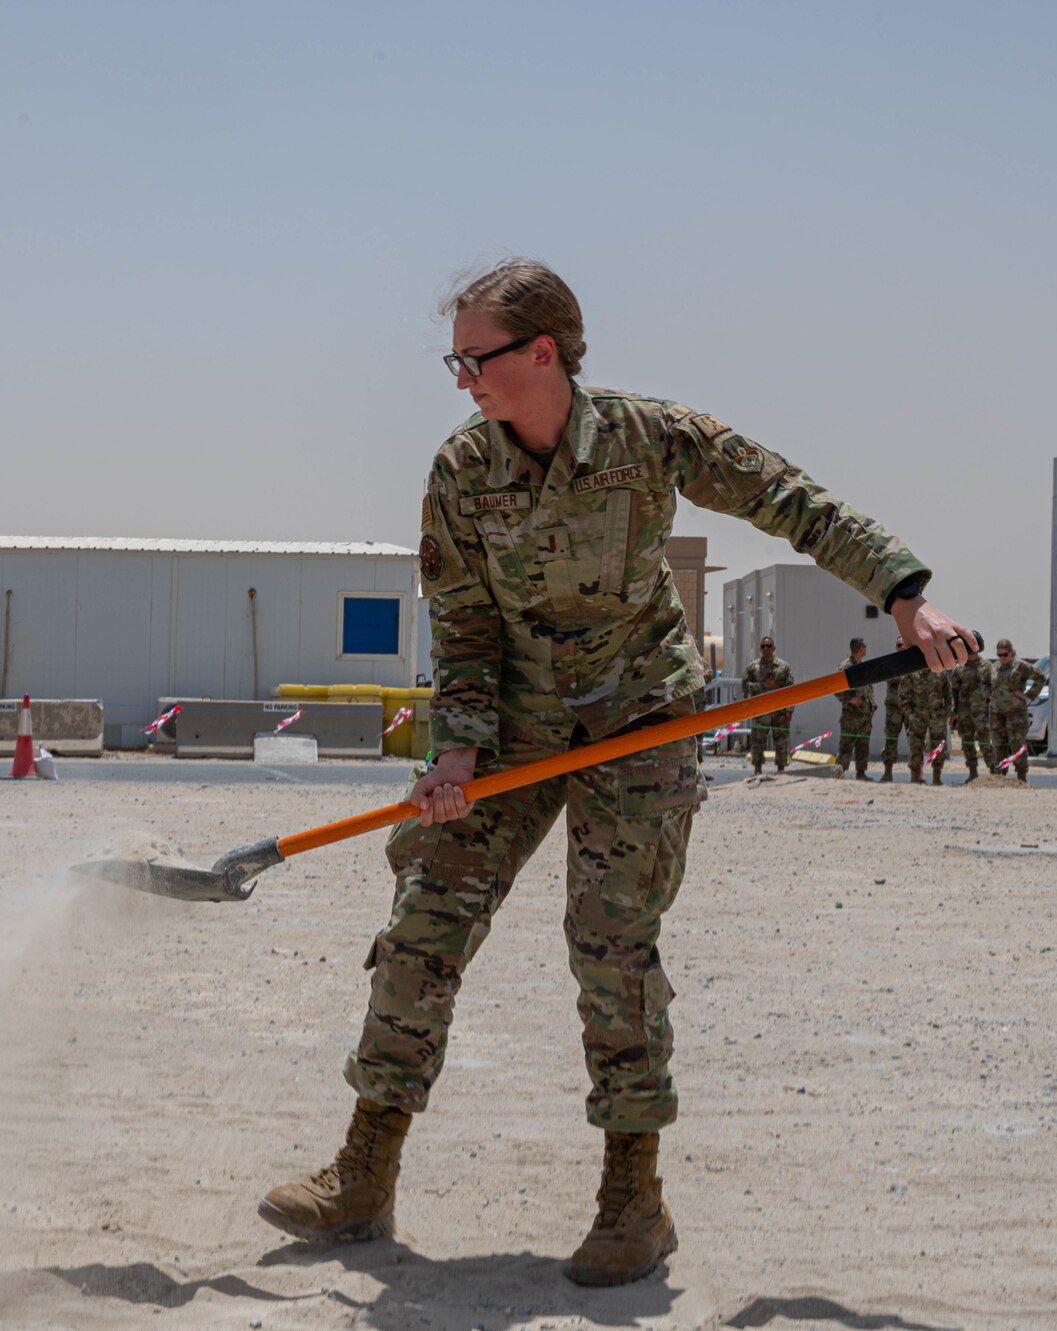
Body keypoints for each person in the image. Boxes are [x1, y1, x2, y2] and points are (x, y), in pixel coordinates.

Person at [256, 260, 977, 1286]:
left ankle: (631, 1196)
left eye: (475, 358)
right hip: (508, 721)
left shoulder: (649, 436)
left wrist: (904, 596)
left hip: (635, 715)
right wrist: (453, 745)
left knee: (608, 941)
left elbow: (789, 500)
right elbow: (459, 616)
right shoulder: (460, 467)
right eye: (453, 361)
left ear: (540, 351)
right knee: (424, 918)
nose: (461, 378)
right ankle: (362, 1172)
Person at [986, 640, 1046, 784]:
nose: (1002, 658)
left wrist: (1028, 695)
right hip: (996, 712)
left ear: (1011, 653)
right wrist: (988, 696)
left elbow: (1040, 677)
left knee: (1016, 744)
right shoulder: (994, 667)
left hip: (1016, 712)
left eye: (1005, 654)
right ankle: (999, 776)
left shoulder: (1020, 666)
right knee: (998, 744)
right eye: (999, 655)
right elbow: (987, 684)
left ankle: (1021, 777)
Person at [741, 637, 795, 772]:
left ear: (774, 648)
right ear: (760, 648)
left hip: (780, 712)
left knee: (781, 742)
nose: (766, 648)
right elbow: (745, 686)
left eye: (769, 646)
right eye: (763, 646)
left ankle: (781, 770)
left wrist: (790, 710)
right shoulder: (753, 667)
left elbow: (791, 690)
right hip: (761, 711)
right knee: (758, 742)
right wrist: (762, 685)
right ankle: (757, 769)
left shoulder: (783, 667)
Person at [946, 649, 994, 782]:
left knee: (985, 743)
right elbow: (954, 691)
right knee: (967, 743)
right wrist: (953, 713)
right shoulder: (959, 668)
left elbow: (994, 687)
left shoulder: (987, 666)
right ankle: (973, 773)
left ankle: (994, 772)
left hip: (982, 712)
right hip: (964, 712)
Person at [834, 638, 875, 779]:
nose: (866, 647)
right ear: (858, 648)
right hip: (851, 715)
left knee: (863, 745)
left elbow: (869, 687)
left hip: (865, 715)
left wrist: (872, 704)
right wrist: (849, 700)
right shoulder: (845, 667)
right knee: (846, 745)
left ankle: (861, 773)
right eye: (864, 645)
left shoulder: (863, 666)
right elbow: (835, 688)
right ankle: (840, 773)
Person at [879, 635, 918, 782]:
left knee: (915, 740)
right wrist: (905, 671)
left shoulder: (915, 661)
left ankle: (916, 774)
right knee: (890, 739)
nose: (901, 647)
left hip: (911, 706)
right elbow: (889, 677)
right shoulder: (891, 661)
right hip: (893, 707)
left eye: (903, 644)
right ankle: (887, 772)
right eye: (898, 645)